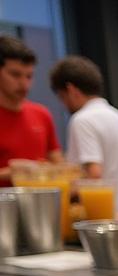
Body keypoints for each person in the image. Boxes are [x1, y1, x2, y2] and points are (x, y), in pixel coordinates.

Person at [49, 55, 118, 209]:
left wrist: (57, 194)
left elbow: (94, 176)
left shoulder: (82, 120)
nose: (63, 104)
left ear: (71, 89)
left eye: (62, 97)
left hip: (109, 221)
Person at [0, 35, 61, 182]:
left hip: (39, 202)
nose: (24, 84)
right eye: (15, 75)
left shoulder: (41, 114)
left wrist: (45, 169)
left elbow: (59, 165)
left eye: (29, 76)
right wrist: (11, 173)